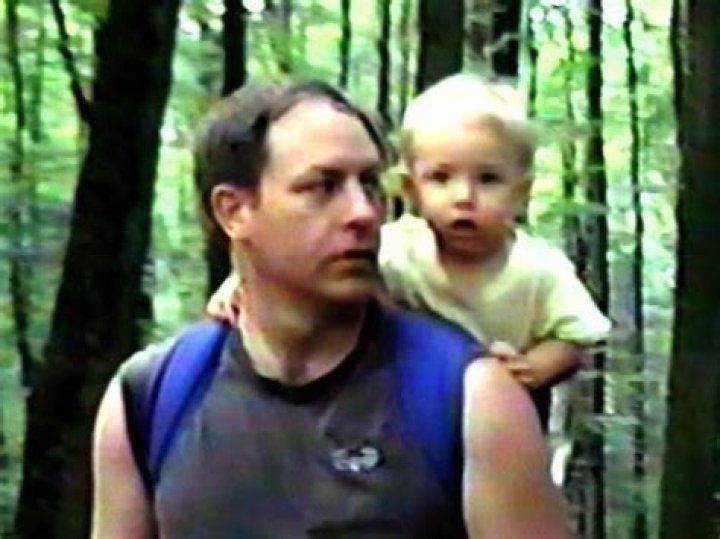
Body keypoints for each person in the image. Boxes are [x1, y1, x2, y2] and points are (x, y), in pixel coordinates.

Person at [91, 80, 569, 538]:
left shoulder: (469, 398)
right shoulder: (152, 398)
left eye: (370, 184)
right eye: (322, 186)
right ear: (234, 211)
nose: (363, 212)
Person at [208, 75, 611, 480]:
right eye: (441, 178)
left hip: (497, 428)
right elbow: (306, 268)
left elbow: (577, 335)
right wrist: (240, 287)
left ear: (520, 192)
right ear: (410, 190)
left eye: (488, 179)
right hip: (404, 417)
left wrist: (533, 368)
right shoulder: (398, 248)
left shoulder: (539, 269)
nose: (464, 197)